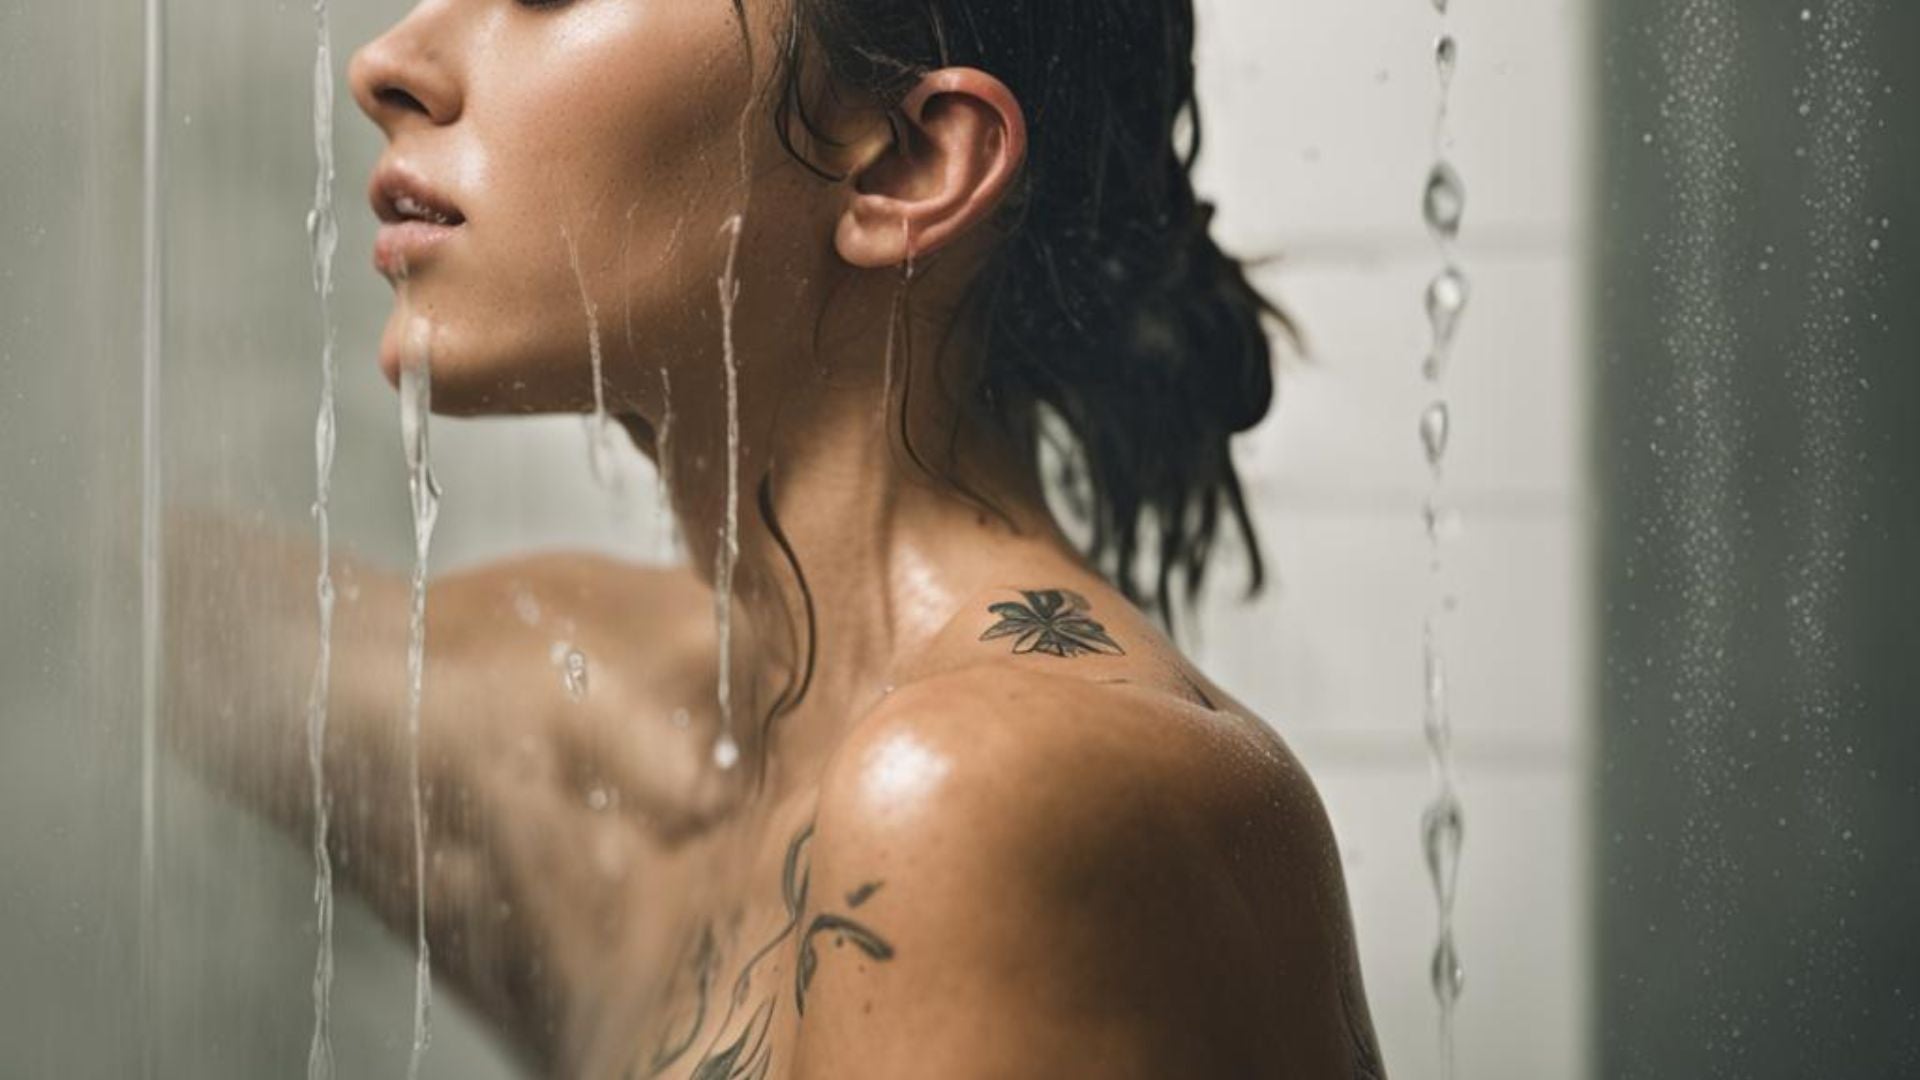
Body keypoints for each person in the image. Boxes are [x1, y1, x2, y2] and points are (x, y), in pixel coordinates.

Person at [172, 0, 1385, 1076]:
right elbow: (127, 607)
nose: (389, 62)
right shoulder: (635, 720)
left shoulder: (988, 795)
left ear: (906, 164)